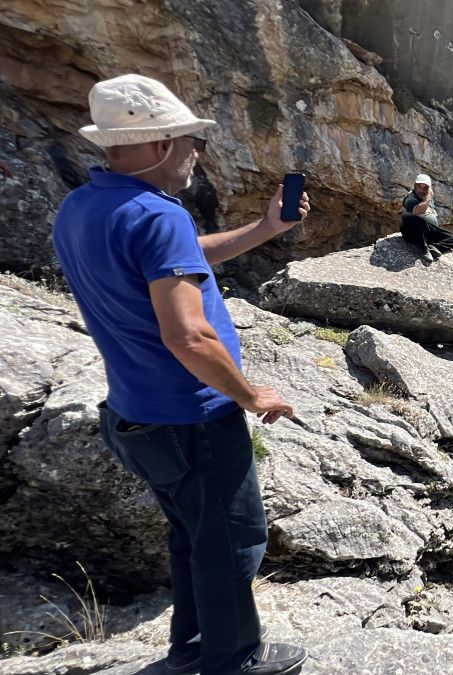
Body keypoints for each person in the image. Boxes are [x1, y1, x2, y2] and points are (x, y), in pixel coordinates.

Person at [52, 74, 308, 675]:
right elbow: (188, 336)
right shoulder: (156, 215)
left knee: (193, 533)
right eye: (193, 140)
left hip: (136, 414)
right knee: (233, 539)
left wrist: (266, 229)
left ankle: (192, 648)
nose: (198, 152)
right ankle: (232, 658)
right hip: (193, 418)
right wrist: (249, 395)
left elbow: (181, 258)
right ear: (160, 143)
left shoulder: (83, 206)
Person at [401, 173, 453, 263]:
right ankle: (424, 250)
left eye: (425, 188)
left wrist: (428, 198)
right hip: (413, 233)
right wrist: (428, 198)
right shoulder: (410, 198)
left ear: (429, 188)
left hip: (427, 232)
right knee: (419, 220)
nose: (421, 190)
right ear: (415, 186)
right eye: (419, 186)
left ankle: (432, 247)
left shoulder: (426, 197)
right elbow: (417, 211)